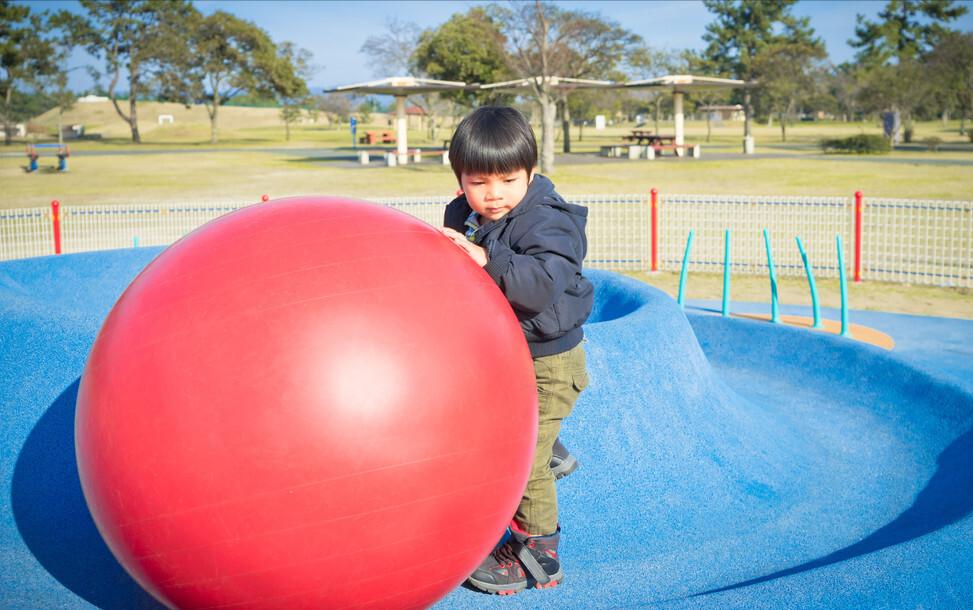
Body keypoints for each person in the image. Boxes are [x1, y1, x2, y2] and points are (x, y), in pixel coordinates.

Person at [440, 106, 593, 595]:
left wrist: (488, 257)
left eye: (508, 180)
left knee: (522, 460)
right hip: (507, 354)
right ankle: (549, 449)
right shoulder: (465, 214)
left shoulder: (548, 223)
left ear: (530, 173)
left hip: (549, 362)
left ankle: (538, 554)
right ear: (460, 179)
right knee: (486, 423)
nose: (494, 194)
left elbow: (541, 284)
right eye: (478, 182)